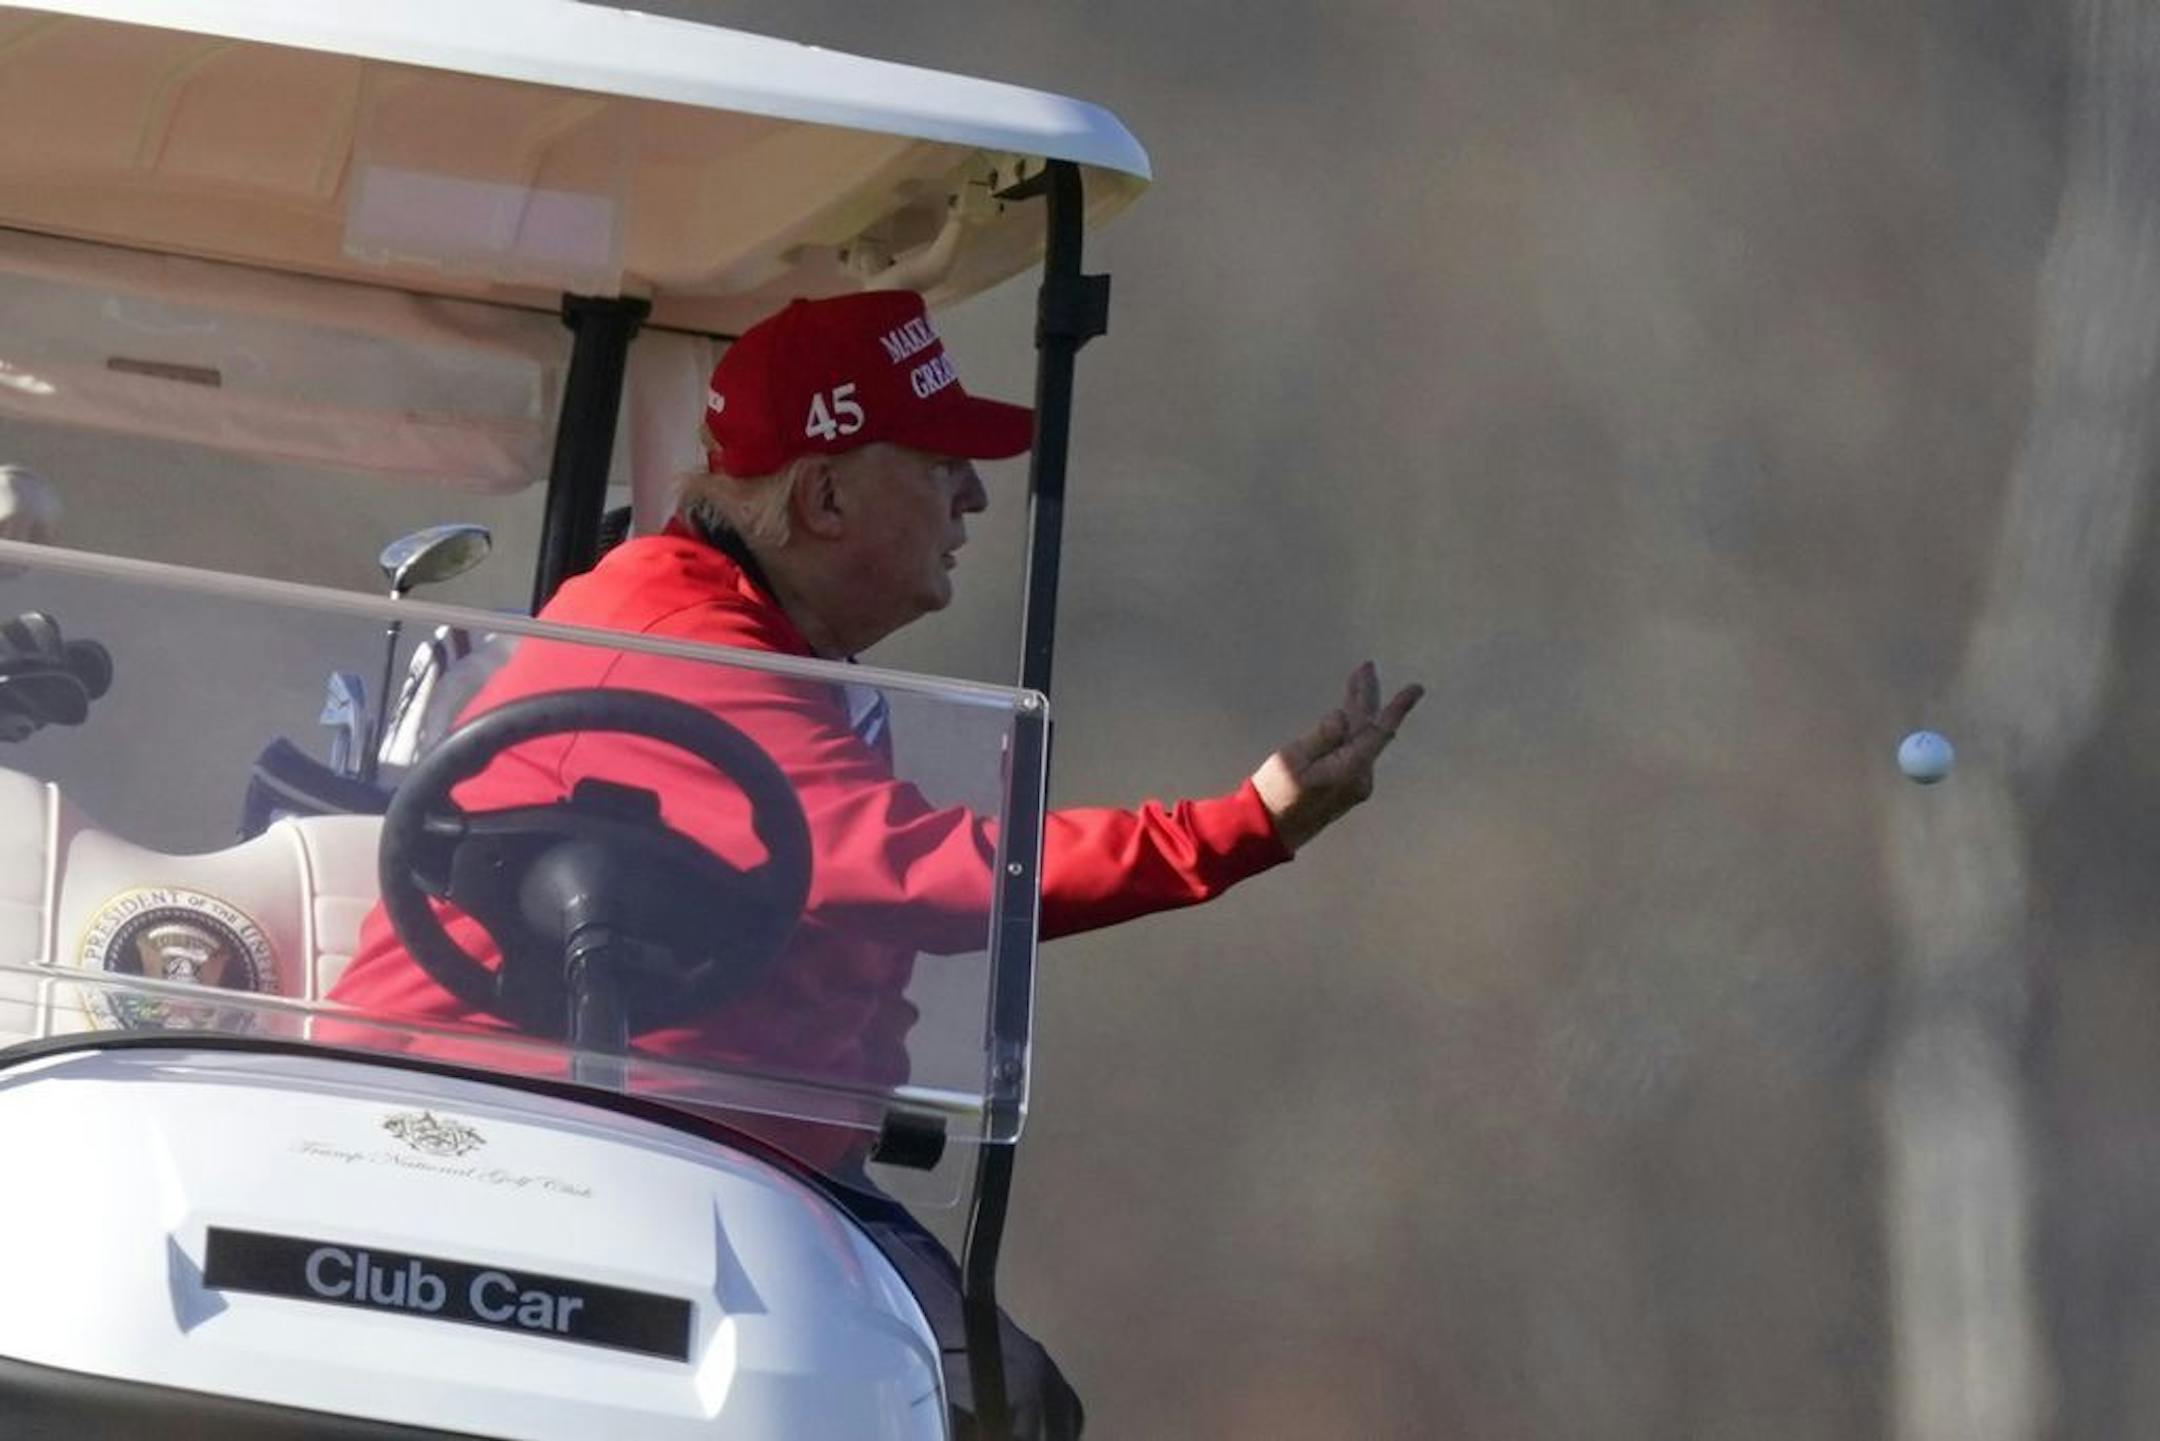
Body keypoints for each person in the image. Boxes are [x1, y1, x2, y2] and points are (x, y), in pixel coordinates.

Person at [329, 289, 1421, 1437]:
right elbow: (916, 874)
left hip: (717, 1152)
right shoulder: (686, 639)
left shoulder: (792, 651)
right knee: (977, 1401)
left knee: (1004, 1399)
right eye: (940, 462)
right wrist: (1242, 824)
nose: (976, 495)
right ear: (825, 494)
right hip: (517, 1141)